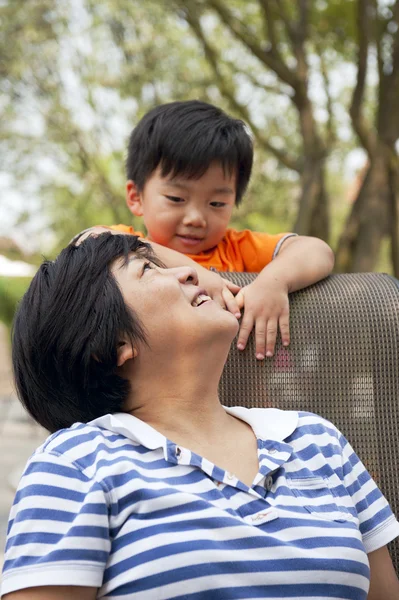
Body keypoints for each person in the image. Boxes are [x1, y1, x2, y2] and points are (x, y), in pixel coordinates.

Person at [2, 232, 398, 600]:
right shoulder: (76, 463)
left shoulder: (315, 438)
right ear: (113, 344)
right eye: (148, 269)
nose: (192, 270)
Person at [80, 100, 334, 360]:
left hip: (239, 398)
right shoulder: (130, 249)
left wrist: (274, 282)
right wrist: (197, 272)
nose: (196, 218)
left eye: (216, 203)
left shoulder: (235, 248)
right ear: (136, 197)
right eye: (176, 198)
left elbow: (317, 250)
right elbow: (87, 240)